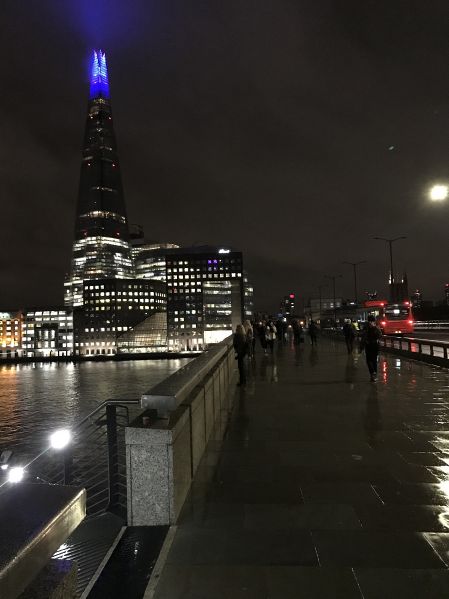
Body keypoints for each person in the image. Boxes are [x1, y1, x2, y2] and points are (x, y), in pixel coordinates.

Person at [360, 315, 382, 382]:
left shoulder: (365, 327)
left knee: (368, 360)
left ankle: (372, 373)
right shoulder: (376, 326)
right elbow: (380, 335)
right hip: (375, 345)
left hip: (368, 345)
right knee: (374, 360)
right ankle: (374, 375)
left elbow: (363, 337)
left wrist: (361, 347)